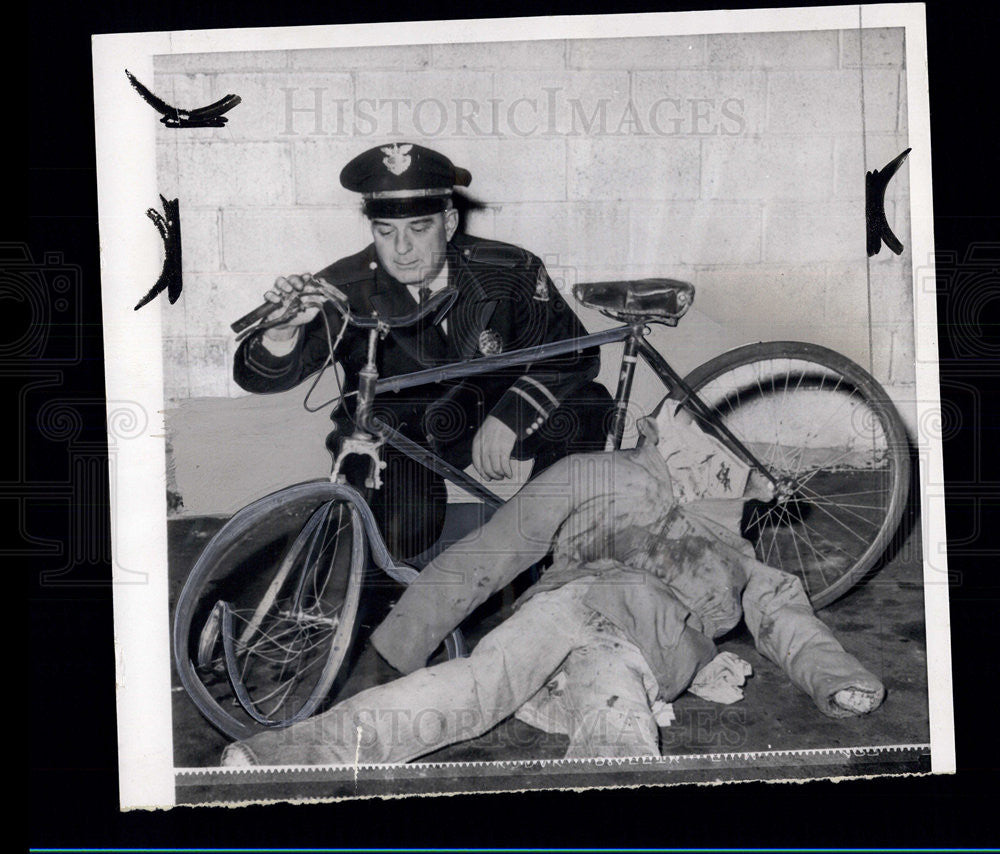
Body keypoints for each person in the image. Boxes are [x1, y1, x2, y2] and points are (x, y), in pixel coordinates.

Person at [221, 403, 885, 766]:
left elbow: (785, 615)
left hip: (628, 652)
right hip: (558, 614)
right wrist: (396, 647)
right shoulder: (598, 474)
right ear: (660, 432)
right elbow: (489, 553)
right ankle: (284, 754)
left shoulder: (735, 547)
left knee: (615, 709)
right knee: (467, 689)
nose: (705, 465)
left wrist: (834, 676)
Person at [234, 143, 612, 559]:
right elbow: (262, 380)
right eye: (385, 231)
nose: (402, 249)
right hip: (400, 432)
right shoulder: (346, 285)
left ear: (448, 223)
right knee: (401, 535)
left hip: (490, 409)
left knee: (587, 407)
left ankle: (544, 550)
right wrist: (282, 332)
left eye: (419, 228)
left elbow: (574, 353)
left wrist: (513, 414)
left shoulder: (510, 269)